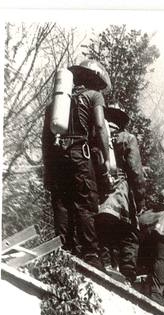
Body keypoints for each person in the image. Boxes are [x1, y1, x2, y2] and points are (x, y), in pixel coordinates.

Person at [42, 58, 113, 269]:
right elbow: (100, 127)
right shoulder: (94, 96)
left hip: (57, 158)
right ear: (95, 79)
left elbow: (46, 139)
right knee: (85, 203)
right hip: (80, 155)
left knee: (62, 203)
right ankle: (91, 255)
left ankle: (63, 250)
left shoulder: (56, 104)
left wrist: (48, 170)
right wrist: (107, 160)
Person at [95, 104, 146, 284]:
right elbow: (135, 171)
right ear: (122, 122)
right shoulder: (127, 138)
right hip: (121, 193)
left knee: (103, 230)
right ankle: (128, 277)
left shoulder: (95, 136)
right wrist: (140, 199)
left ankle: (106, 266)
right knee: (130, 234)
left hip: (99, 193)